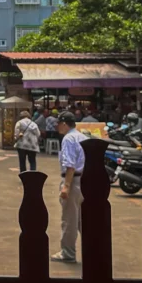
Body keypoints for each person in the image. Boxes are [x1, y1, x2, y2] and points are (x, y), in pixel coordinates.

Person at [51, 111, 86, 264]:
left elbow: (70, 165)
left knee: (70, 219)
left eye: (58, 124)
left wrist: (66, 186)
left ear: (64, 124)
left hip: (73, 181)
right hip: (84, 181)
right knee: (82, 220)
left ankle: (68, 253)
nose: (57, 127)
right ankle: (95, 249)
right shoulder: (82, 137)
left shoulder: (68, 139)